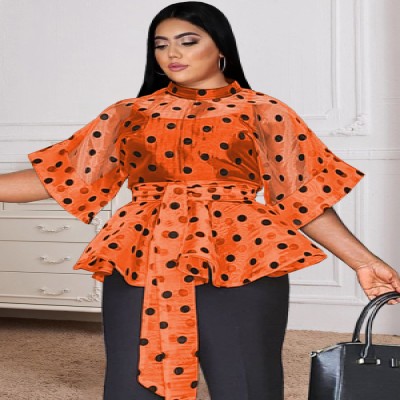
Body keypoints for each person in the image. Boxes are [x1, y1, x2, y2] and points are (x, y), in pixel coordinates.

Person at [1, 1, 399, 399]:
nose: (172, 53)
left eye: (187, 41)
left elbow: (303, 197)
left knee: (245, 383)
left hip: (241, 253)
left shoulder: (264, 111)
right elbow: (59, 176)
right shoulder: (129, 113)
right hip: (142, 250)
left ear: (220, 46)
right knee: (130, 382)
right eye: (160, 45)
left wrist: (364, 262)